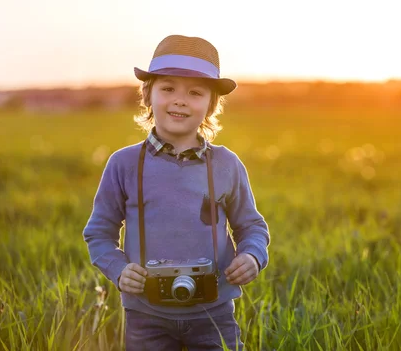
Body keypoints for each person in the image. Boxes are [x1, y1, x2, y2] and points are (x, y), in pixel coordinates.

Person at [83, 35, 270, 350]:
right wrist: (118, 270)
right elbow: (99, 233)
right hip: (146, 314)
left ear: (211, 104)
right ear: (148, 96)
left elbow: (251, 226)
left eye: (195, 93)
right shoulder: (124, 164)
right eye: (168, 88)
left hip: (213, 312)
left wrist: (252, 255)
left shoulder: (226, 164)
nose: (180, 100)